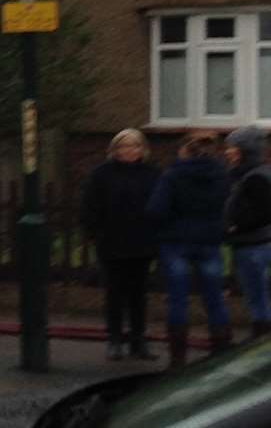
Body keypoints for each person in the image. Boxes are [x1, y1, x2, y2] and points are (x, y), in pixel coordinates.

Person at [147, 130, 232, 368]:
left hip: (177, 241)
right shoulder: (221, 175)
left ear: (184, 150)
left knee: (177, 300)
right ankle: (221, 349)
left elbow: (156, 209)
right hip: (209, 241)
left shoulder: (172, 176)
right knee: (214, 298)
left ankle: (178, 358)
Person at [80, 128, 160, 361]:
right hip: (112, 243)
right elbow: (90, 208)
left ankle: (138, 341)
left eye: (134, 146)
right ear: (114, 150)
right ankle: (114, 339)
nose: (129, 151)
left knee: (139, 295)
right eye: (124, 146)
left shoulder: (152, 174)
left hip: (142, 243)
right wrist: (96, 233)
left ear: (142, 149)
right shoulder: (101, 175)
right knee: (115, 294)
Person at [225, 124, 271, 340]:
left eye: (232, 147)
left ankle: (262, 337)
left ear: (244, 150)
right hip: (250, 244)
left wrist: (235, 227)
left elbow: (265, 214)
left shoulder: (256, 177)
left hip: (254, 246)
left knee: (257, 296)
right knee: (256, 294)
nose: (228, 151)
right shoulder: (246, 174)